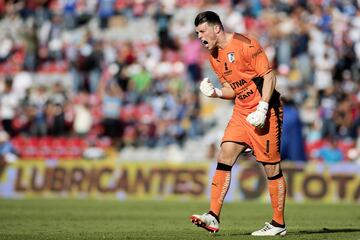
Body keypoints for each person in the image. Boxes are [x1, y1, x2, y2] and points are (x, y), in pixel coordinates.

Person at [190, 11, 287, 236]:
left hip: (266, 109)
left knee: (271, 167)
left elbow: (269, 76)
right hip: (242, 111)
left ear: (217, 29)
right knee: (224, 155)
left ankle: (278, 224)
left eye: (202, 31)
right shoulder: (214, 56)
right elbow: (232, 89)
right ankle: (212, 216)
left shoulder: (246, 44)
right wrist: (215, 92)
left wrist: (263, 108)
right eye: (197, 34)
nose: (200, 37)